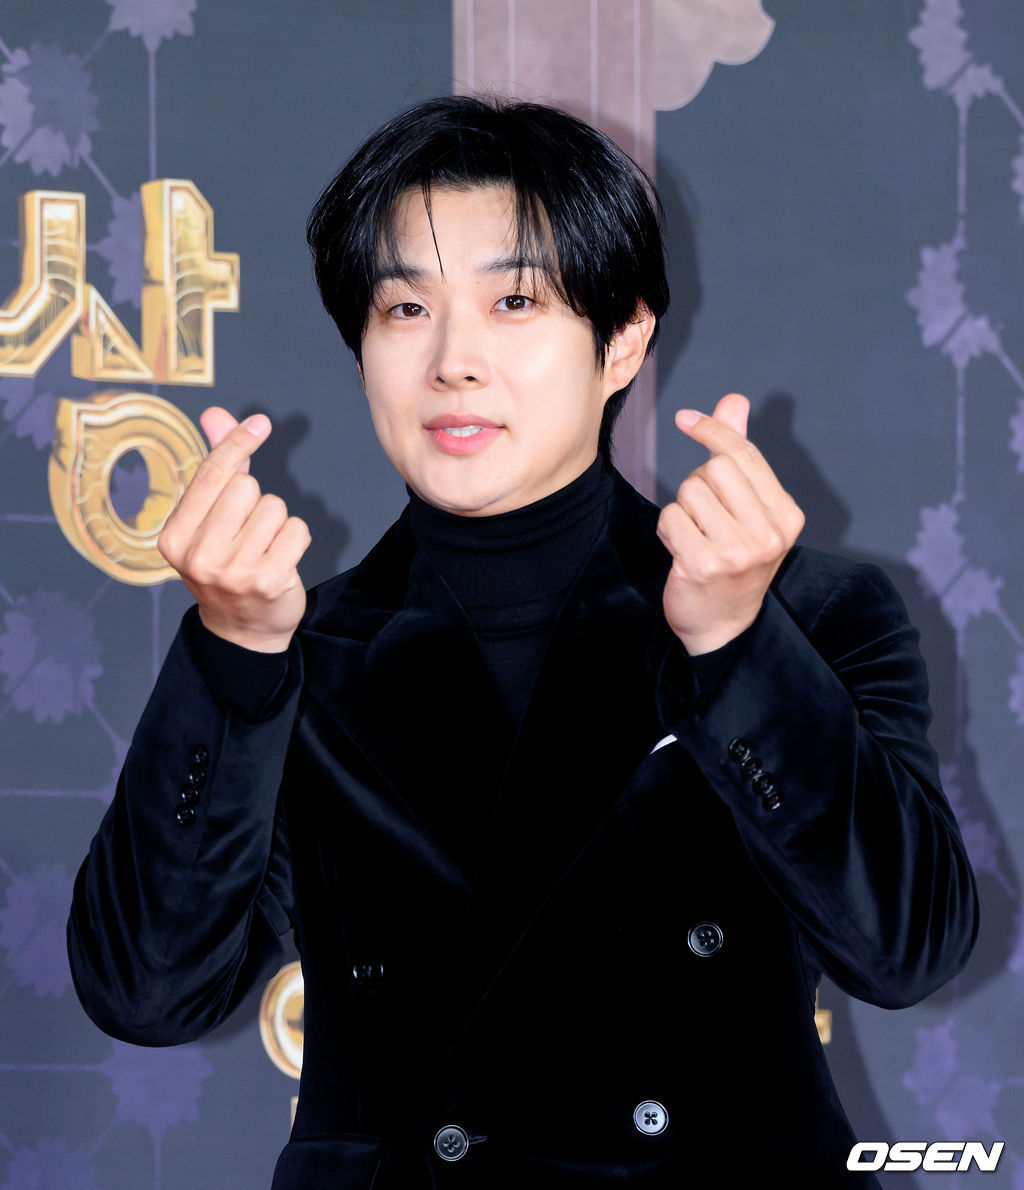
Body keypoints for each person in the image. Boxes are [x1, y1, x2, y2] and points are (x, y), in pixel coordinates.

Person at [67, 95, 978, 1189]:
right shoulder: (294, 652)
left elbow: (906, 948)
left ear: (622, 338)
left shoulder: (809, 613)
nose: (454, 360)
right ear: (360, 349)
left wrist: (737, 648)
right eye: (406, 307)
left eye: (514, 301)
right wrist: (233, 657)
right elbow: (148, 990)